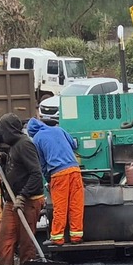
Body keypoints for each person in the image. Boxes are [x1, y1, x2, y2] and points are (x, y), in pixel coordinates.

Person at [0, 114, 47, 265]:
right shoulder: (14, 146)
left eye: (2, 131)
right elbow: (16, 167)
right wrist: (3, 158)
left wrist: (23, 196)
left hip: (28, 201)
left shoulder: (25, 144)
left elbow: (36, 174)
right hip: (11, 201)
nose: (1, 135)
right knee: (5, 240)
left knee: (25, 243)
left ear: (10, 130)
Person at [26, 97, 85, 244]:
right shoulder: (58, 129)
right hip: (75, 170)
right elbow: (74, 144)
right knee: (76, 205)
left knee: (60, 207)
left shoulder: (37, 139)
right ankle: (76, 236)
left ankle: (57, 238)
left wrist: (48, 179)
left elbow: (42, 164)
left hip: (59, 174)